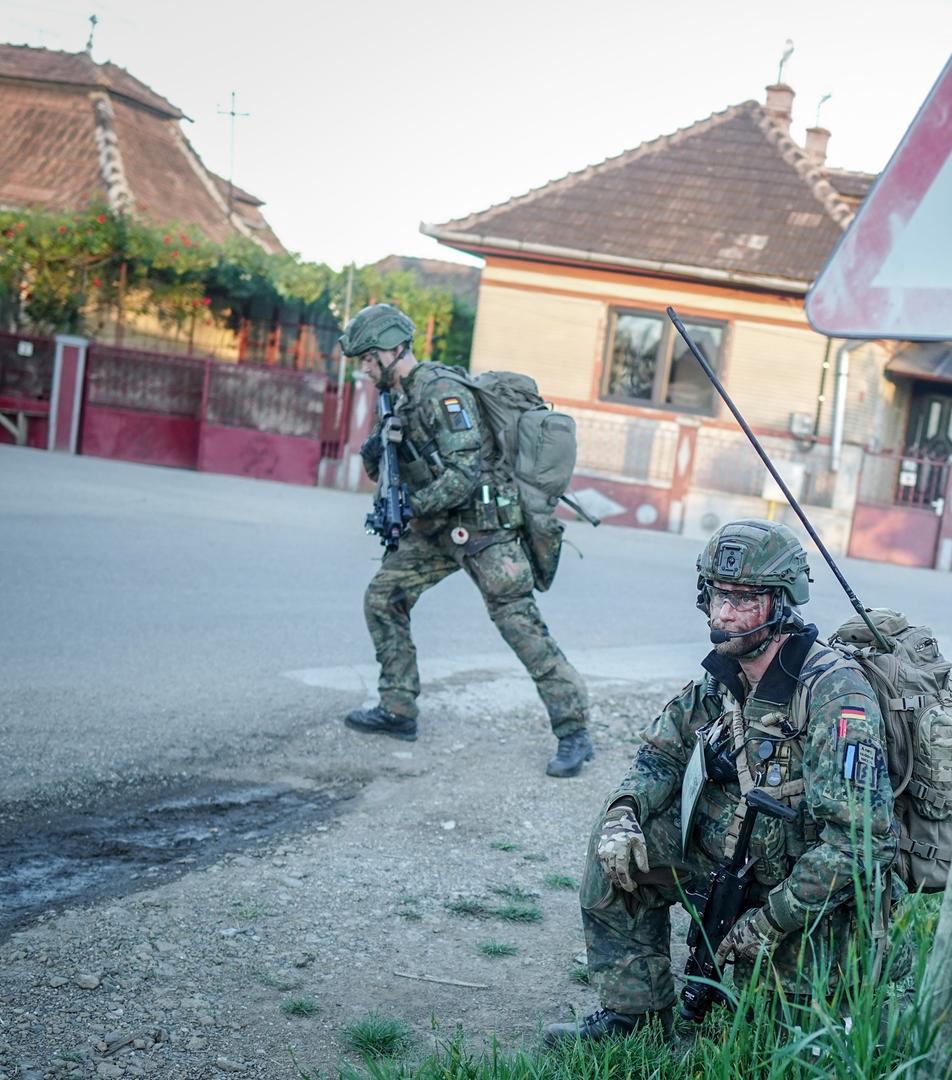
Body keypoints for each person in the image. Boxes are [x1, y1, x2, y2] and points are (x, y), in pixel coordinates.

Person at [545, 520, 897, 1042]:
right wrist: (624, 811)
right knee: (614, 846)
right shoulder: (723, 678)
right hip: (723, 864)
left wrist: (770, 920)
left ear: (782, 602)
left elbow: (860, 841)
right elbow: (659, 757)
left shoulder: (835, 696)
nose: (724, 612)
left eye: (744, 599)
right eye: (716, 595)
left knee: (783, 1047)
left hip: (805, 894)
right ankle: (634, 1017)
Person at [339, 303, 594, 778]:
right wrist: (377, 448)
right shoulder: (399, 398)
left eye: (370, 359)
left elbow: (464, 474)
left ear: (395, 350)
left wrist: (412, 507)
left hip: (485, 529)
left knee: (519, 625)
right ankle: (398, 707)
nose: (366, 369)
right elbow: (386, 467)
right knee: (383, 597)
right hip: (437, 530)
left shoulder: (442, 393)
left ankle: (574, 731)